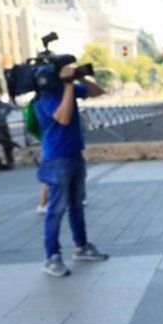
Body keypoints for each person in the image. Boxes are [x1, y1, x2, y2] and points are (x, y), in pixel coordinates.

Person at [35, 67, 109, 277]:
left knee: (77, 206)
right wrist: (68, 85)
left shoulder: (68, 89)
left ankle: (82, 246)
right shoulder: (46, 96)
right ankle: (52, 257)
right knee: (56, 210)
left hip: (75, 155)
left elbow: (97, 92)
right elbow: (63, 117)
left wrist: (80, 78)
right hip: (56, 159)